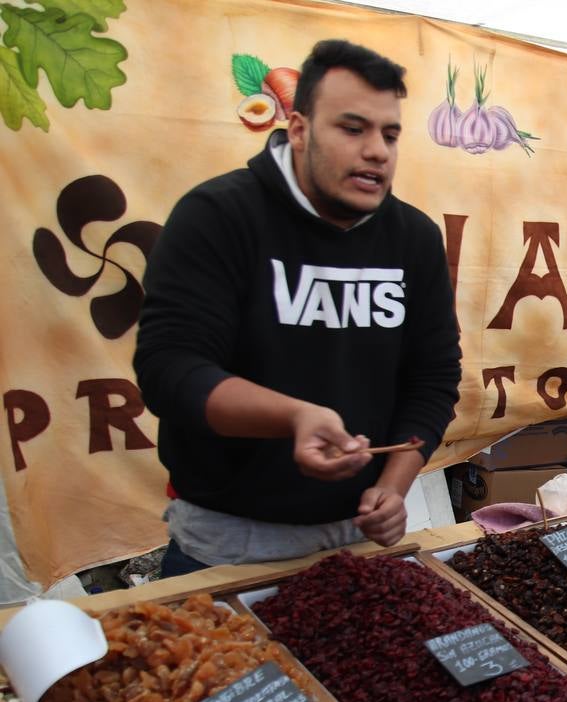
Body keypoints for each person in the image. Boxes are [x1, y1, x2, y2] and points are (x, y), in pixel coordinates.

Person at [134, 40, 461, 577]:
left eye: (390, 134)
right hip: (225, 547)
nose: (378, 150)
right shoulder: (217, 216)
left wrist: (392, 487)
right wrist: (294, 417)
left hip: (359, 541)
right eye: (353, 129)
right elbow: (172, 371)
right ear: (300, 129)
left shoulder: (414, 238)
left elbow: (434, 378)